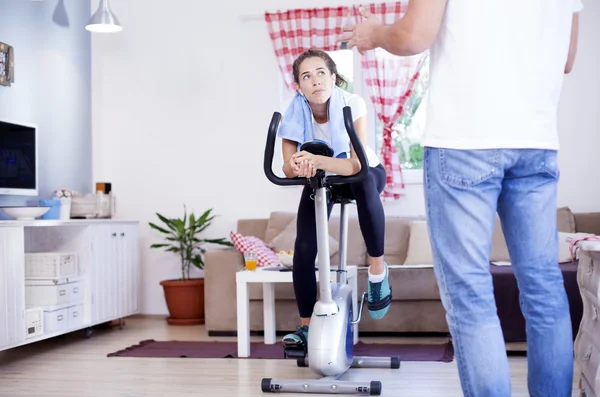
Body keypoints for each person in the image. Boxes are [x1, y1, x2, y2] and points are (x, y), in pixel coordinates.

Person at [339, 0, 582, 396]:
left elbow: (414, 34)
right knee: (544, 290)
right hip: (536, 141)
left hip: (465, 141)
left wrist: (375, 33)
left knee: (471, 295)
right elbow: (567, 58)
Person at [277, 49, 391, 349]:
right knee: (303, 247)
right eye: (306, 76)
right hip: (323, 177)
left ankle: (378, 271)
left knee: (364, 180)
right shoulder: (295, 110)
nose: (315, 81)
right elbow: (286, 166)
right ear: (299, 86)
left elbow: (355, 164)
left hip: (363, 173)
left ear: (333, 77)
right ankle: (305, 328)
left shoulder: (352, 103)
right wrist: (299, 166)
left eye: (320, 73)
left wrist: (313, 159)